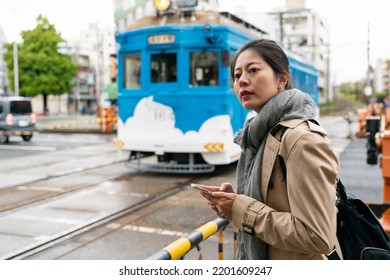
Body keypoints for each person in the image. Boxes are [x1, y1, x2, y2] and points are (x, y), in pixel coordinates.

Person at [196, 39, 341, 260]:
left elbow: (318, 236)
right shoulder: (259, 135)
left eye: (253, 70)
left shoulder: (301, 139)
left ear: (282, 78)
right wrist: (233, 200)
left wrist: (240, 208)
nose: (242, 80)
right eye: (237, 75)